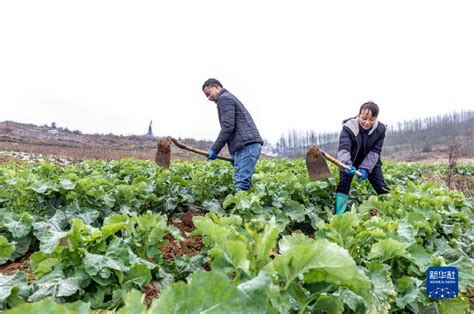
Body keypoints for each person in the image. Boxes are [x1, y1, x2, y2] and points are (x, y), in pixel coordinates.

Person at [202, 78, 263, 192]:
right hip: (246, 145)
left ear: (216, 86)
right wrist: (235, 154)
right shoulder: (228, 98)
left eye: (208, 93)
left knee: (241, 182)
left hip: (246, 145)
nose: (209, 98)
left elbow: (228, 127)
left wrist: (215, 149)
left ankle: (242, 208)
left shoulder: (224, 99)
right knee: (241, 180)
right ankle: (244, 206)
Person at [335, 101, 390, 215]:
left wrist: (365, 168)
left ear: (376, 118)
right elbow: (344, 148)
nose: (367, 122)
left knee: (381, 186)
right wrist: (346, 164)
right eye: (364, 118)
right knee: (343, 185)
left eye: (371, 119)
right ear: (359, 115)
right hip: (350, 160)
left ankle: (390, 209)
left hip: (371, 161)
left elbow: (375, 152)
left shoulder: (380, 129)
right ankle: (339, 214)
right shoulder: (349, 127)